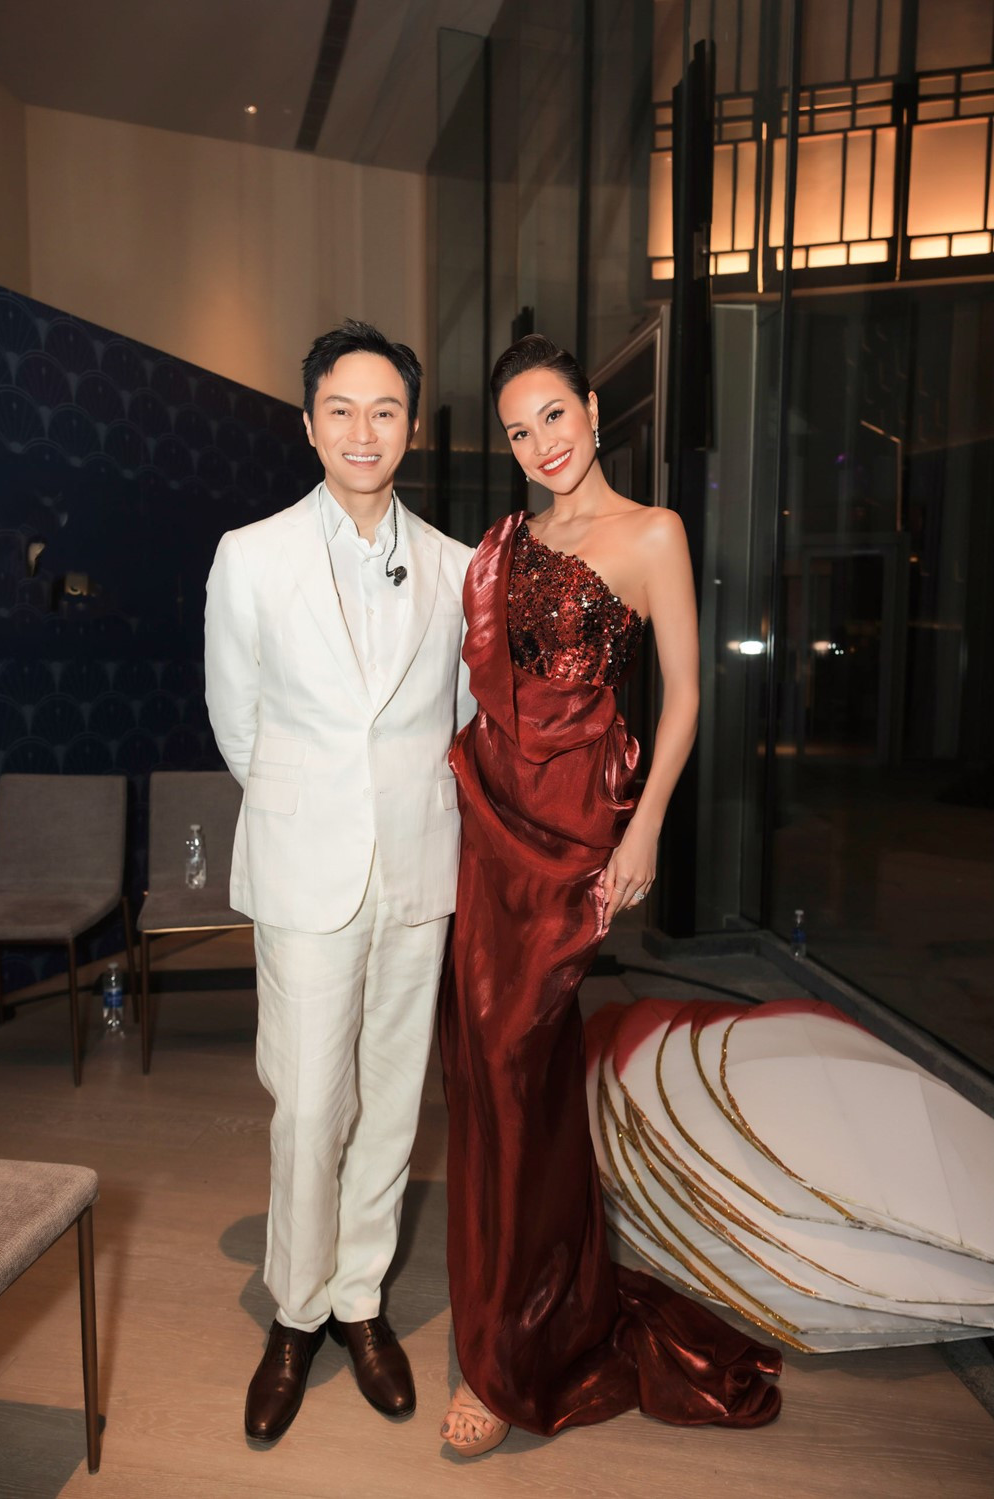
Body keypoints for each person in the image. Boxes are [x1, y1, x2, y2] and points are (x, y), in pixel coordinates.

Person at [438, 333, 782, 1455]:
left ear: (592, 407)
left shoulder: (652, 532)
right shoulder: (508, 542)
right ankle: (524, 1309)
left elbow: (684, 696)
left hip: (578, 826)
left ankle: (506, 1350)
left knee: (517, 1061)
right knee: (489, 1071)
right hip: (493, 822)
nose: (541, 443)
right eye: (518, 431)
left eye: (553, 414)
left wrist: (645, 826)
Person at [205, 319, 473, 1444]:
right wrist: (313, 806)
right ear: (308, 422)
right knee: (311, 1102)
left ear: (411, 426)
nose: (364, 430)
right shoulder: (250, 554)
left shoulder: (457, 566)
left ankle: (360, 1300)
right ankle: (296, 1309)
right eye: (342, 409)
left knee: (393, 1099)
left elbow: (460, 717)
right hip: (306, 866)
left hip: (416, 865)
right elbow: (237, 720)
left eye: (386, 410)